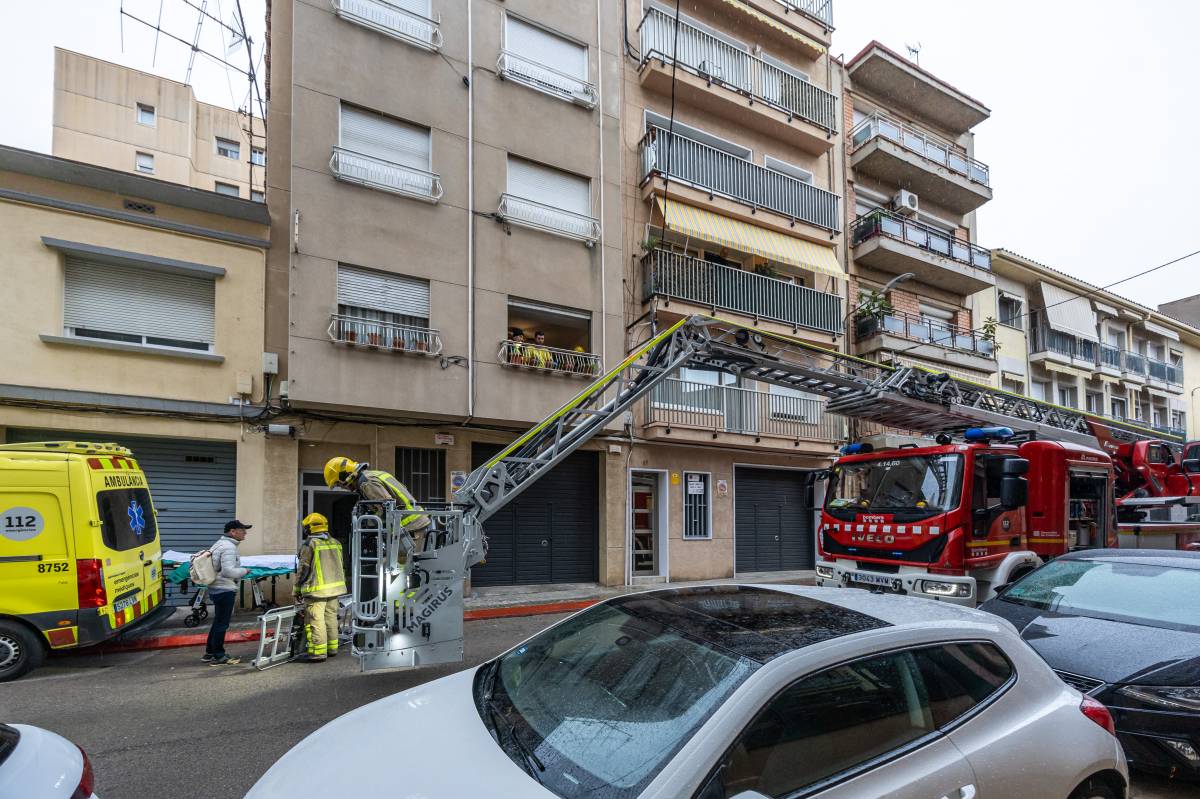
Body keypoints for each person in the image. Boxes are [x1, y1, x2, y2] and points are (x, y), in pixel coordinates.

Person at [323, 457, 431, 555]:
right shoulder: (374, 474)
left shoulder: (367, 483)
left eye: (338, 484)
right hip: (415, 524)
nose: (342, 487)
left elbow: (387, 507)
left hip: (411, 527)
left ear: (344, 476)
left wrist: (369, 522)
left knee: (405, 566)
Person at [295, 513, 347, 663]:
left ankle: (318, 653)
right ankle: (332, 648)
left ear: (309, 528)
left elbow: (303, 570)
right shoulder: (336, 543)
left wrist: (297, 589)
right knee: (330, 618)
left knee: (315, 621)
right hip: (335, 589)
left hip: (316, 591)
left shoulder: (309, 545)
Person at [203, 519, 251, 665]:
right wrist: (244, 571)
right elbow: (228, 572)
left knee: (218, 621)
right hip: (224, 589)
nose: (245, 533)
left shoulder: (220, 544)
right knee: (222, 623)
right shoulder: (228, 547)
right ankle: (219, 655)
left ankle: (210, 652)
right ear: (232, 532)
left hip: (217, 587)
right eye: (242, 531)